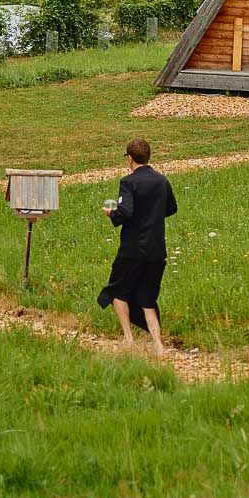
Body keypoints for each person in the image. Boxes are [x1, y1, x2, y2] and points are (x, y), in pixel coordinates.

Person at [96, 138, 177, 354]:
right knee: (147, 298)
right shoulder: (162, 180)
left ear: (130, 158)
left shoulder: (128, 182)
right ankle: (158, 345)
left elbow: (126, 212)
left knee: (118, 290)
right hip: (156, 249)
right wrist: (152, 215)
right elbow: (171, 208)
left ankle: (129, 338)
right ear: (148, 157)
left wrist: (111, 213)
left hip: (132, 249)